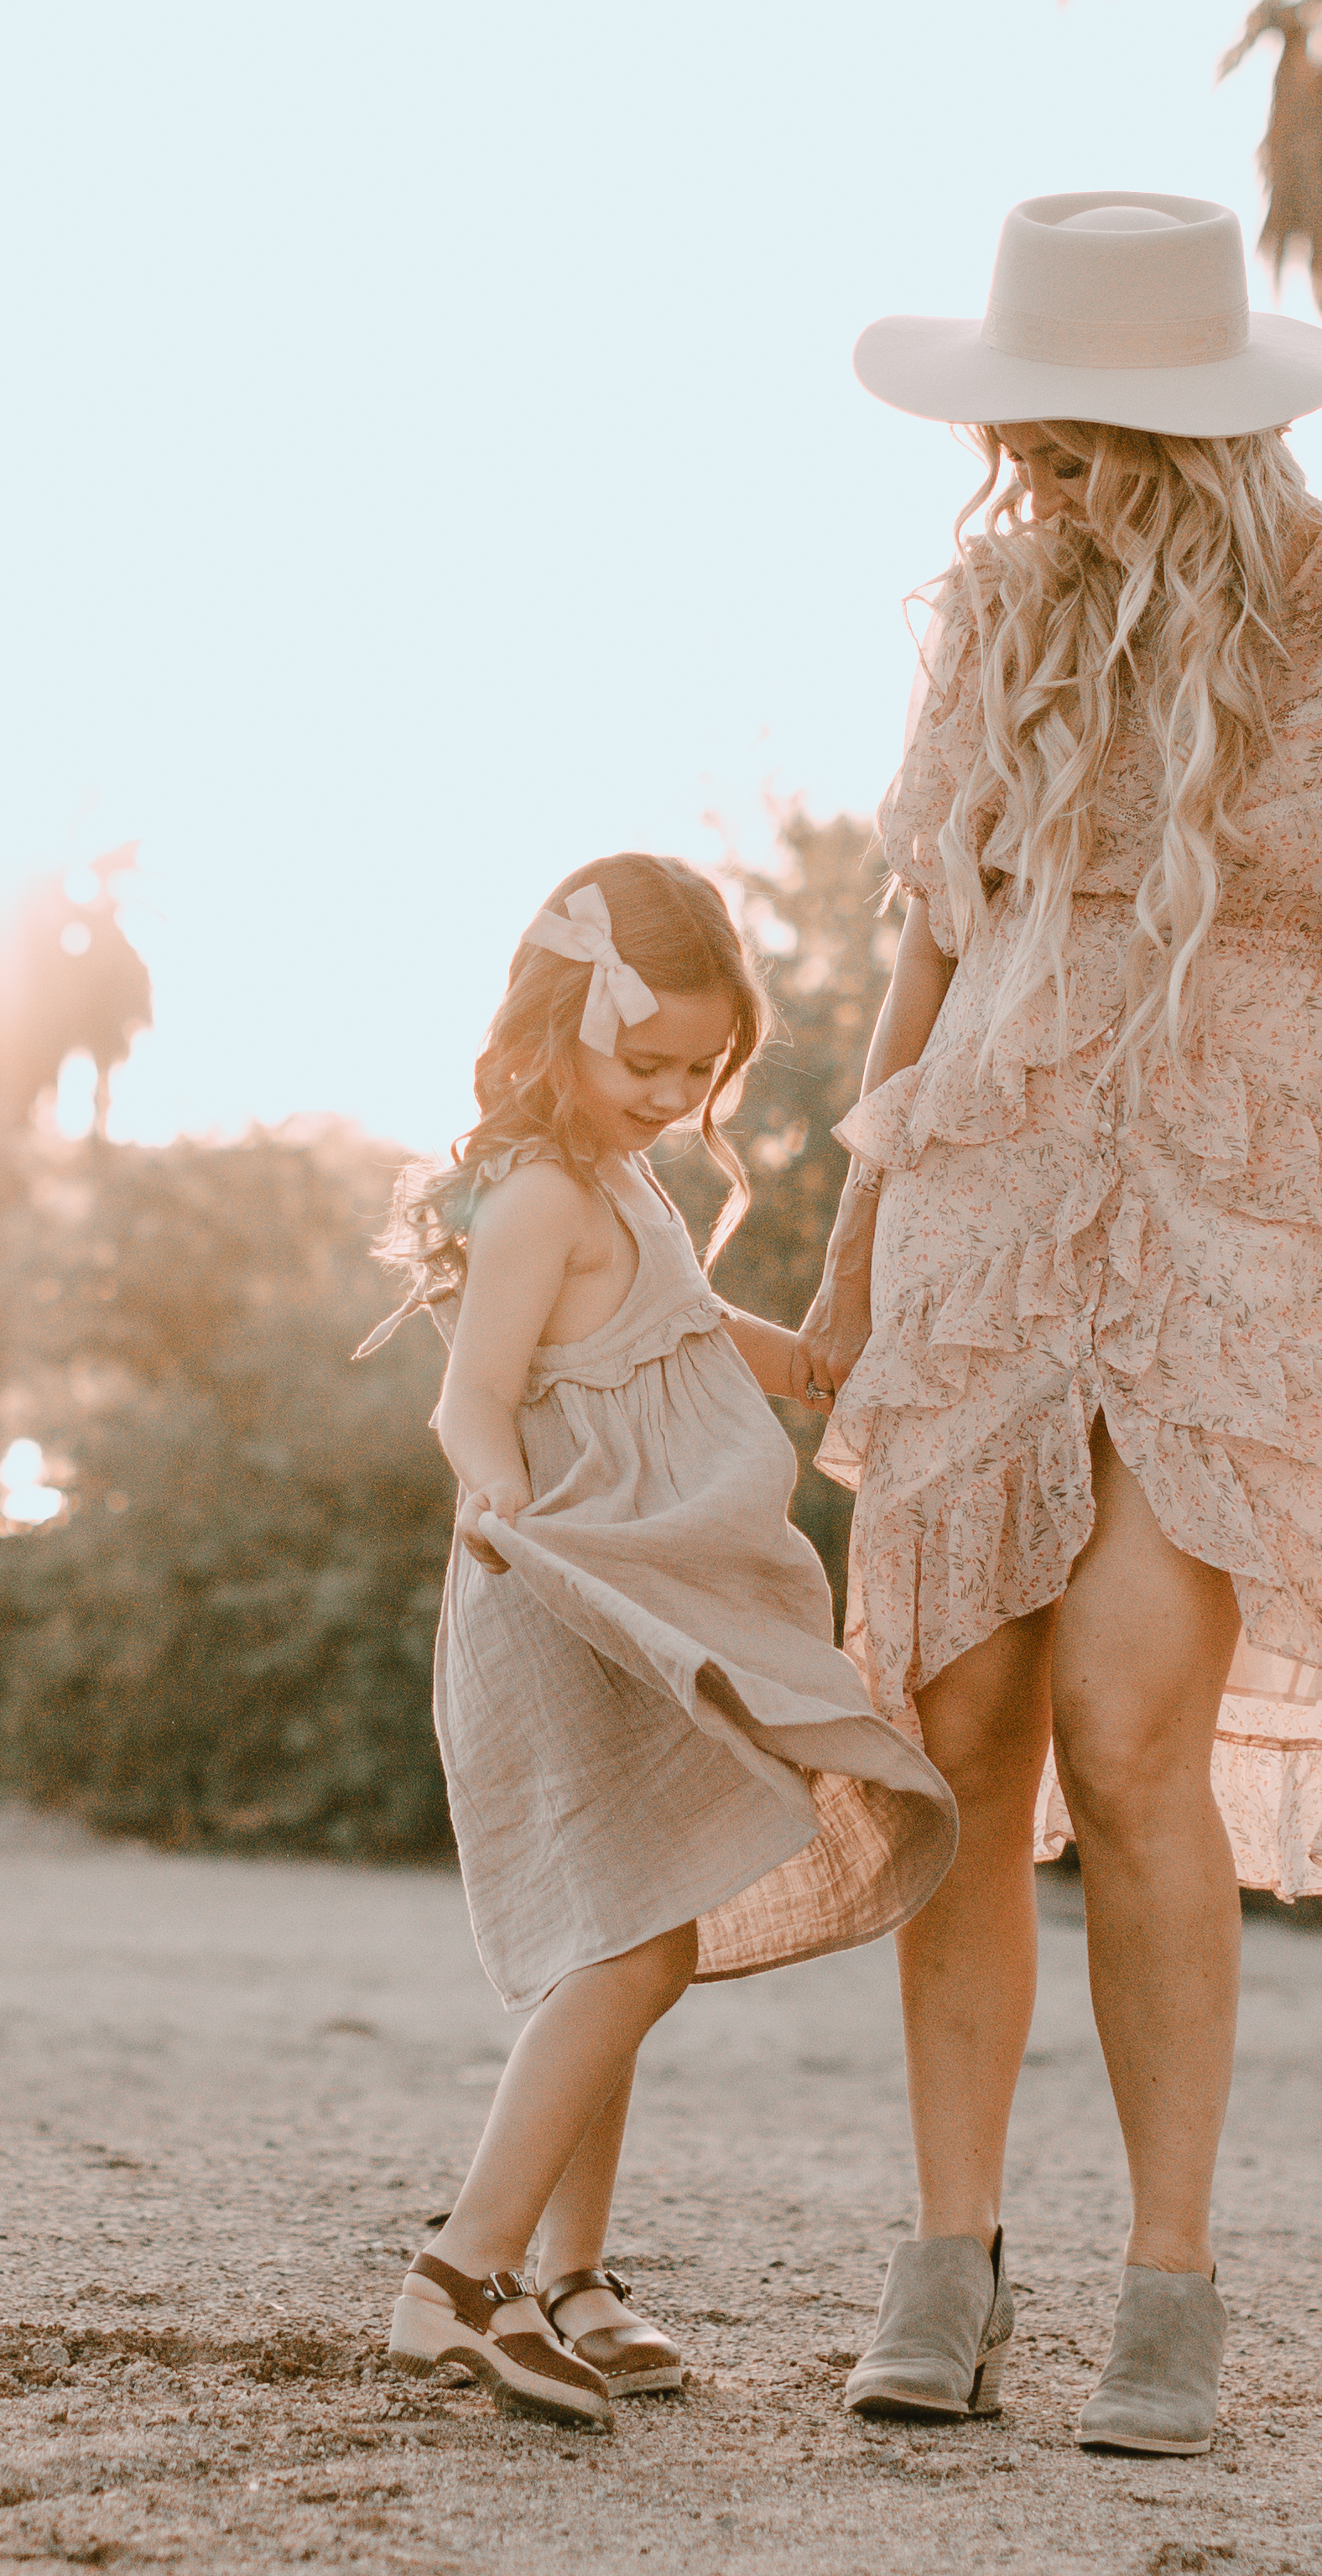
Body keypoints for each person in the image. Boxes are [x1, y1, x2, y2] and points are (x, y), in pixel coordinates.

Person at [802, 193, 1322, 2455]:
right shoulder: (1002, 604)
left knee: (1137, 1734)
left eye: (1059, 449)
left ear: (1179, 432)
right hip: (990, 1215)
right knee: (957, 1748)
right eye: (1014, 449)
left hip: (1230, 1229)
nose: (1018, 485)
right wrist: (854, 1276)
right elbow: (926, 945)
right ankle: (943, 2258)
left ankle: (1173, 2275)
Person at [365, 853, 960, 2427]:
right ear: (561, 1027)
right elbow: (469, 1400)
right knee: (633, 1938)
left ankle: (573, 2275)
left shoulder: (624, 1184)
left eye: (702, 1071)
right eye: (648, 1064)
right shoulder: (544, 1196)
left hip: (647, 1597)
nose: (674, 1093)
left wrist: (820, 1360)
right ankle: (460, 2279)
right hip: (569, 1588)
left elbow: (681, 1340)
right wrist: (503, 1506)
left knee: (634, 1922)